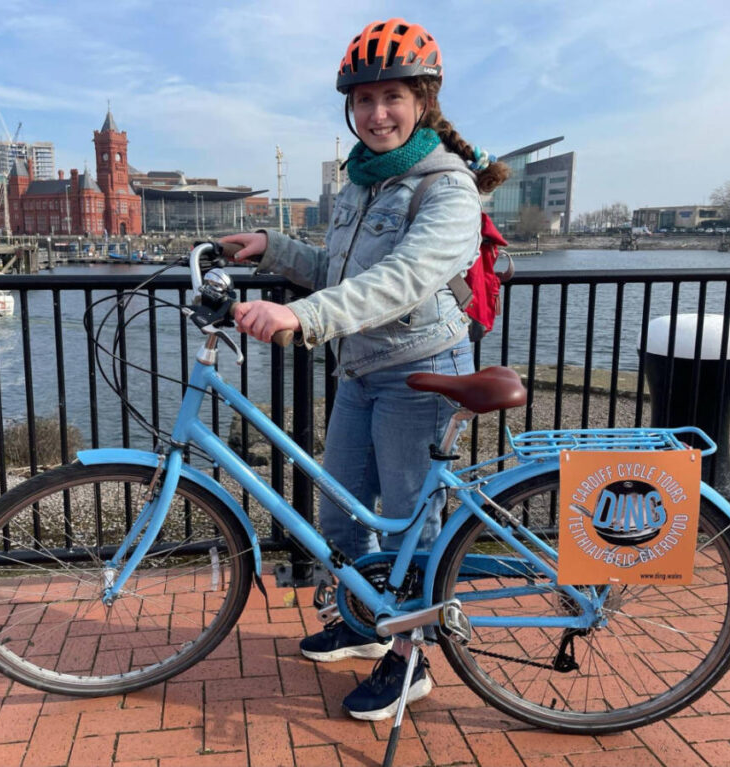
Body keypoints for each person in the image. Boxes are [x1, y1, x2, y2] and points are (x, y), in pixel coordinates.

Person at [222, 17, 511, 721]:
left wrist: (302, 317)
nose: (376, 113)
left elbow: (405, 280)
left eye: (391, 98)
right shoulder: (357, 184)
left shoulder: (447, 188)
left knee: (409, 525)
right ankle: (360, 619)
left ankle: (410, 658)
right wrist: (272, 248)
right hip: (360, 371)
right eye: (363, 100)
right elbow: (339, 269)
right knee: (342, 514)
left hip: (421, 369)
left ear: (422, 102)